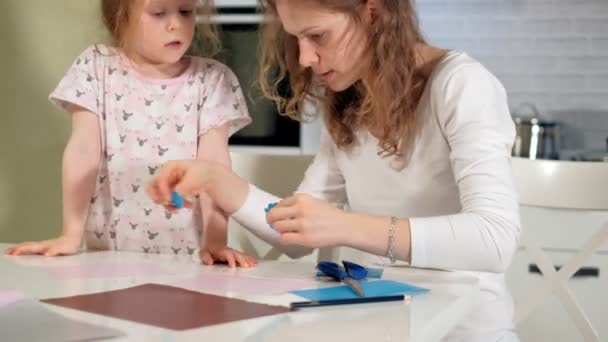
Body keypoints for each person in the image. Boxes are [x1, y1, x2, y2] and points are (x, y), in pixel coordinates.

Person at [149, 0, 520, 340]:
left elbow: (494, 240)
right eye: (297, 39)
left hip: (463, 329)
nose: (306, 57)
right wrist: (215, 180)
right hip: (381, 325)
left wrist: (346, 226)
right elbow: (293, 232)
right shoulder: (351, 102)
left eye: (318, 36)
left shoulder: (462, 85)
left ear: (372, 14)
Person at [5, 0, 257, 268]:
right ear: (120, 18)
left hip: (189, 261)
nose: (176, 24)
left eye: (186, 11)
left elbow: (214, 169)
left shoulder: (213, 80)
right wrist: (70, 235)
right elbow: (83, 151)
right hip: (107, 258)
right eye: (159, 13)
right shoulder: (95, 68)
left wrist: (215, 242)